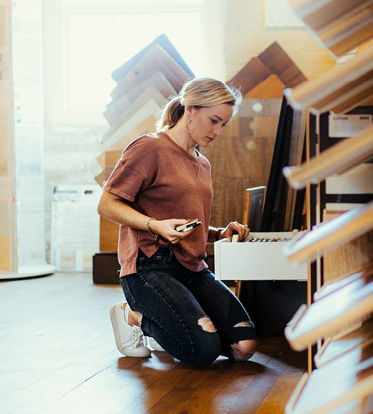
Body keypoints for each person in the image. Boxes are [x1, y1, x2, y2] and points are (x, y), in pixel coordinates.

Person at [99, 77, 257, 366]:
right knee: (203, 351)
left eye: (223, 124)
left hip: (193, 268)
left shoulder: (202, 163)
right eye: (214, 121)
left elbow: (186, 223)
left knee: (244, 346)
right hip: (150, 267)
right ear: (191, 108)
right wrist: (153, 225)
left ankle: (175, 327)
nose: (218, 132)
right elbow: (107, 204)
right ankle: (131, 315)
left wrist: (219, 233)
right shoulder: (149, 148)